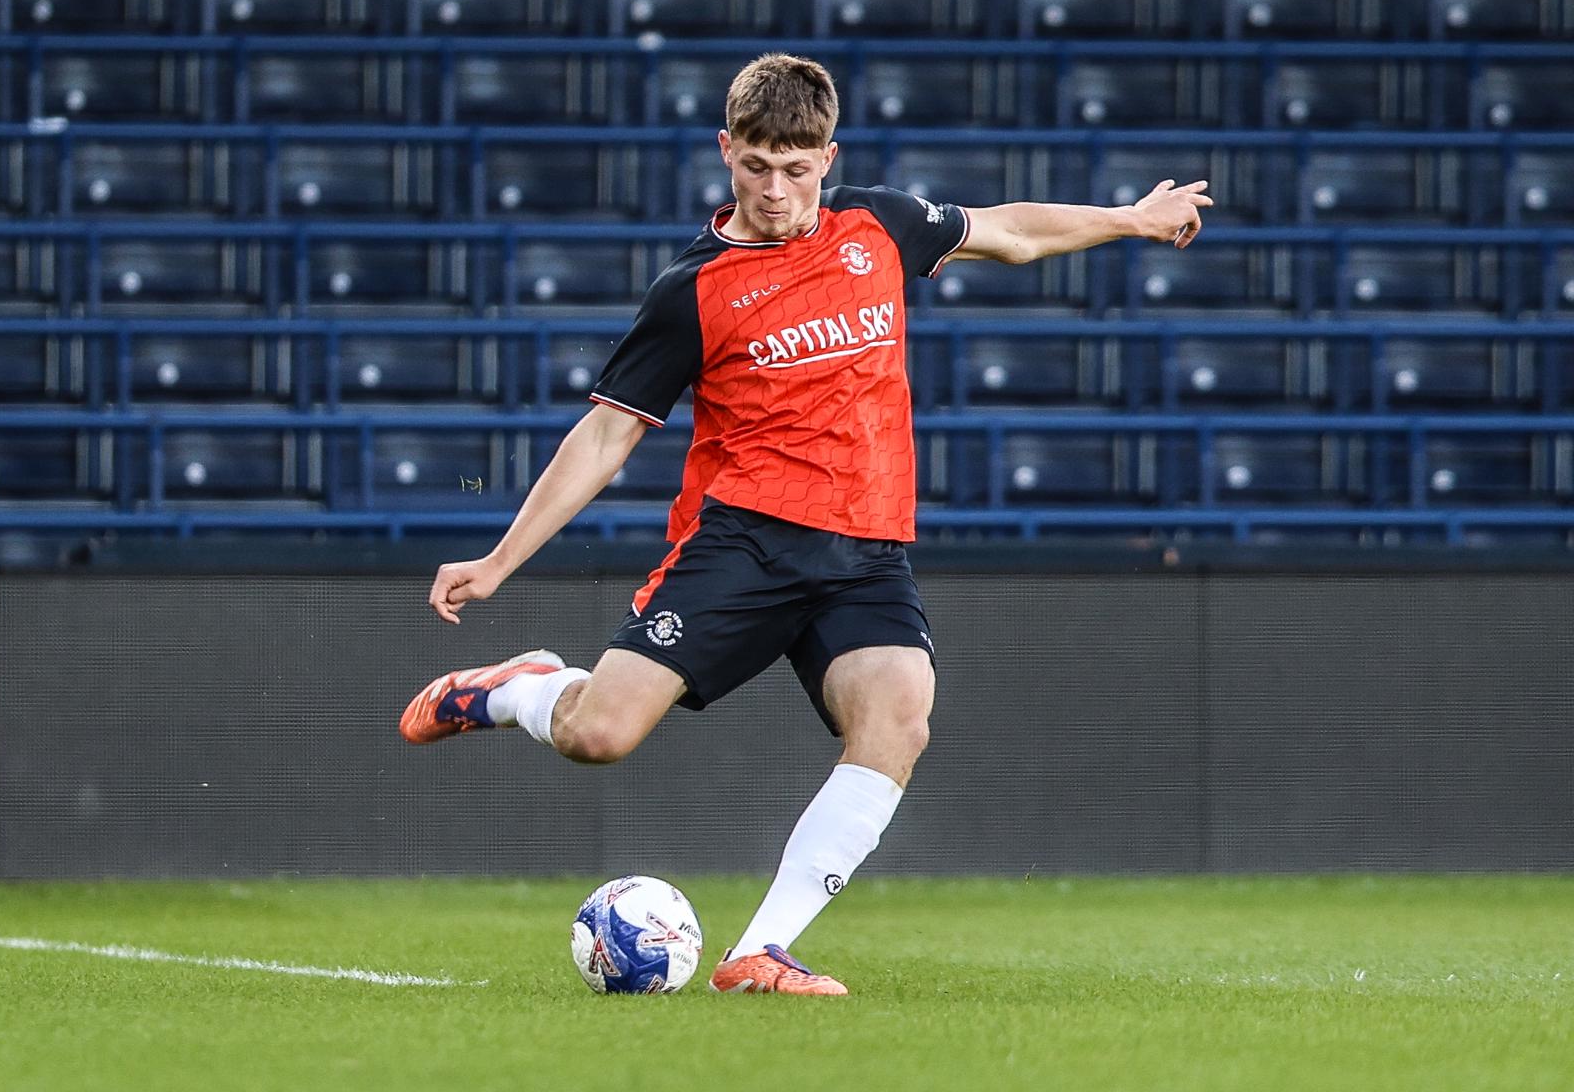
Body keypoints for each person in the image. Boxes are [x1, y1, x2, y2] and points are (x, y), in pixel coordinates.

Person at [400, 53, 1211, 995]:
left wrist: (1129, 218)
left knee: (900, 718)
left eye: (797, 167)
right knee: (599, 736)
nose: (777, 190)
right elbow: (607, 434)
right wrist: (500, 560)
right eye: (756, 166)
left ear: (829, 155)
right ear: (726, 152)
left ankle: (761, 949)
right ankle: (520, 688)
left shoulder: (878, 225)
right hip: (742, 544)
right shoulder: (692, 292)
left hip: (867, 552)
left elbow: (1010, 234)